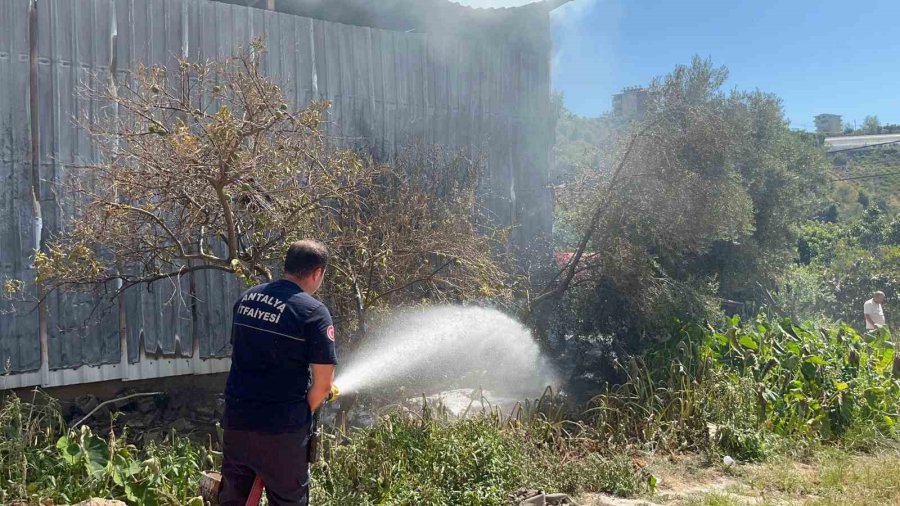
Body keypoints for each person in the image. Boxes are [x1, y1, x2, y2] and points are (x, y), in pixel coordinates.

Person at [219, 240, 337, 506]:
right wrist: (300, 411)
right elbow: (323, 385)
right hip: (281, 433)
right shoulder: (314, 313)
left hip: (237, 422)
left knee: (233, 500)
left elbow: (243, 355)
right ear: (317, 272)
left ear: (287, 265)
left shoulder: (247, 298)